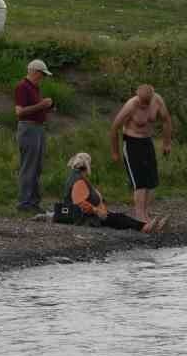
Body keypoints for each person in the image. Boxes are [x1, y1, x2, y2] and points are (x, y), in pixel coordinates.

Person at [109, 84, 174, 224]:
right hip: (132, 143)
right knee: (139, 182)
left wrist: (167, 143)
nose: (144, 105)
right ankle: (140, 218)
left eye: (147, 102)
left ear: (152, 97)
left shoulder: (157, 100)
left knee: (150, 181)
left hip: (147, 141)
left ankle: (146, 215)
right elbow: (114, 128)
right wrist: (115, 152)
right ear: (138, 96)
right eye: (142, 101)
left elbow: (166, 120)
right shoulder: (131, 105)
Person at [62, 153, 166, 233]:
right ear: (87, 165)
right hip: (85, 219)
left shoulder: (75, 177)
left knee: (118, 216)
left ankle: (147, 226)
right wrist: (97, 210)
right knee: (119, 218)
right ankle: (145, 227)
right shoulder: (79, 181)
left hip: (89, 215)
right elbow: (80, 203)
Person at [13, 58, 54, 212]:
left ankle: (34, 202)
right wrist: (42, 105)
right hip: (28, 128)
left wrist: (46, 107)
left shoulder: (35, 87)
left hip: (38, 128)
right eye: (41, 74)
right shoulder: (22, 86)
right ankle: (24, 203)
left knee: (37, 166)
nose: (42, 77)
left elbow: (33, 108)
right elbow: (20, 112)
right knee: (29, 166)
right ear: (34, 71)